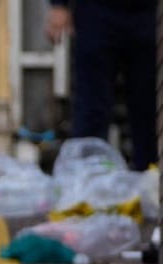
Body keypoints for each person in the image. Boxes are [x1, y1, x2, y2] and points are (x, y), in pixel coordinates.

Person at [46, 0, 157, 170]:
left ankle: (152, 179)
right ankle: (87, 179)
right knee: (91, 108)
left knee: (149, 108)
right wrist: (59, 5)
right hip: (95, 11)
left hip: (147, 14)